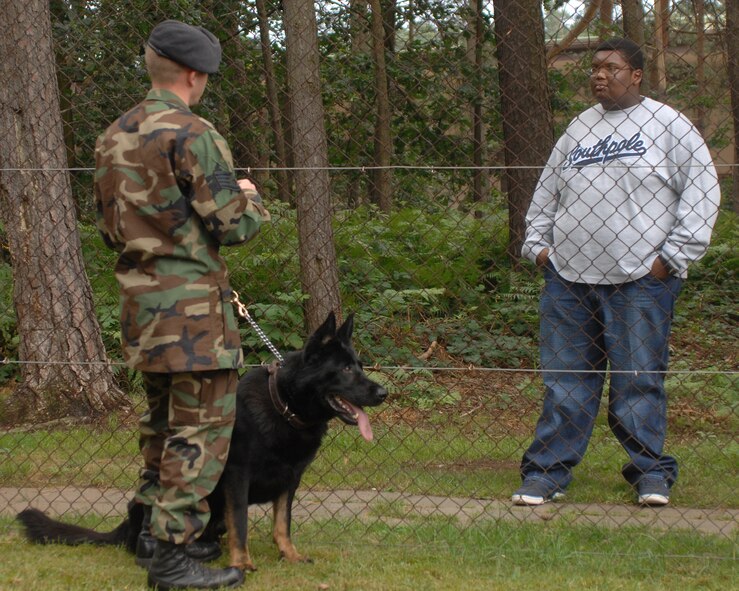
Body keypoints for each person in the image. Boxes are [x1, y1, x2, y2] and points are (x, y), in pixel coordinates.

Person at [94, 20, 270, 590]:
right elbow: (230, 225)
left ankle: (149, 532)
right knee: (200, 433)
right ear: (195, 75)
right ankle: (171, 557)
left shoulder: (112, 135)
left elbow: (107, 230)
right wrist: (250, 198)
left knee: (161, 425)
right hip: (193, 315)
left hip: (141, 310)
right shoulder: (193, 134)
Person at [513, 38, 720, 507]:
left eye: (611, 67)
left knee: (638, 380)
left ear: (637, 74)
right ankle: (546, 474)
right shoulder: (578, 129)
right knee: (566, 382)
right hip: (568, 279)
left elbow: (702, 192)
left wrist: (671, 259)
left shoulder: (668, 126)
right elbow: (546, 193)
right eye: (595, 68)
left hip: (640, 283)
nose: (599, 75)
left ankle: (650, 474)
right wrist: (540, 249)